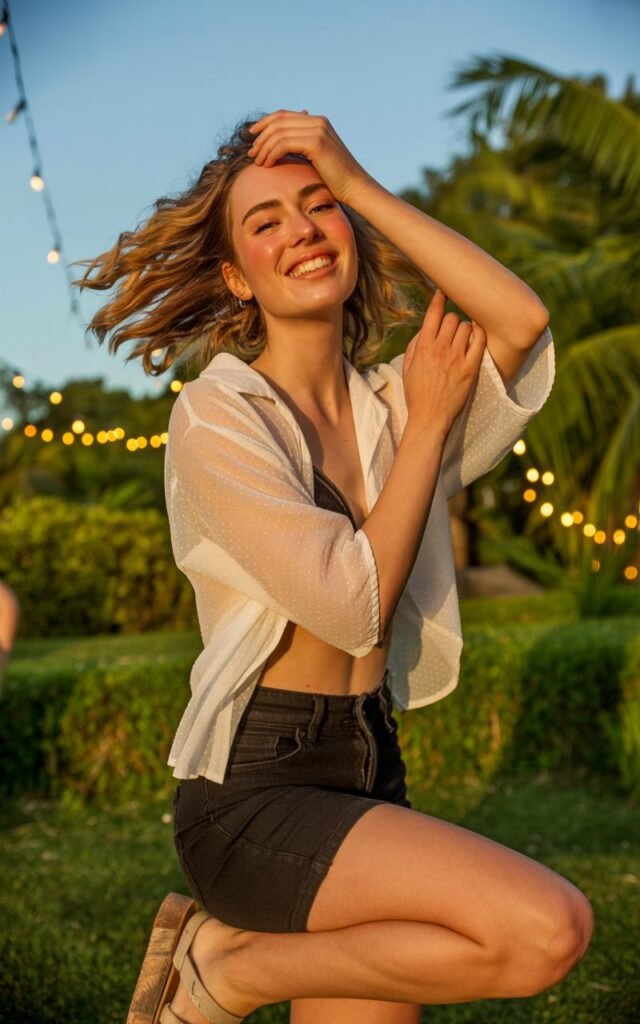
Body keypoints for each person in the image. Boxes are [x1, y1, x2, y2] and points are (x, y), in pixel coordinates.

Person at [73, 109, 593, 1024]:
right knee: (545, 929)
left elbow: (523, 320)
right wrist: (431, 424)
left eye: (317, 207)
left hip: (367, 761)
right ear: (236, 275)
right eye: (265, 220)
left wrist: (359, 185)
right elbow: (352, 608)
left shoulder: (392, 404)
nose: (302, 230)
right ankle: (225, 969)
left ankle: (228, 965)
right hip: (253, 791)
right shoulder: (219, 417)